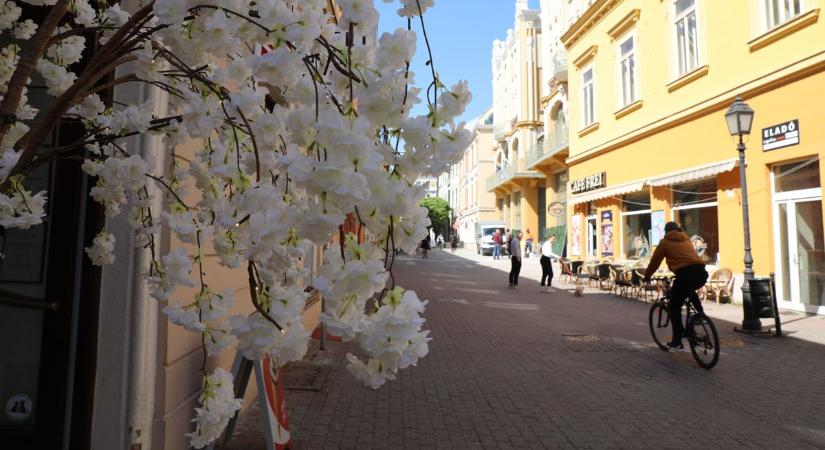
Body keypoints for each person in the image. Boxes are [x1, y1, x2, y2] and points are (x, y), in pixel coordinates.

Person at [644, 221, 708, 349]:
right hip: (701, 272)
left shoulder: (665, 242)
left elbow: (655, 262)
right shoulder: (686, 239)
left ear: (667, 231)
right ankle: (701, 315)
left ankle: (677, 340)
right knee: (689, 289)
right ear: (678, 229)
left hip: (684, 274)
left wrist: (647, 276)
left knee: (674, 307)